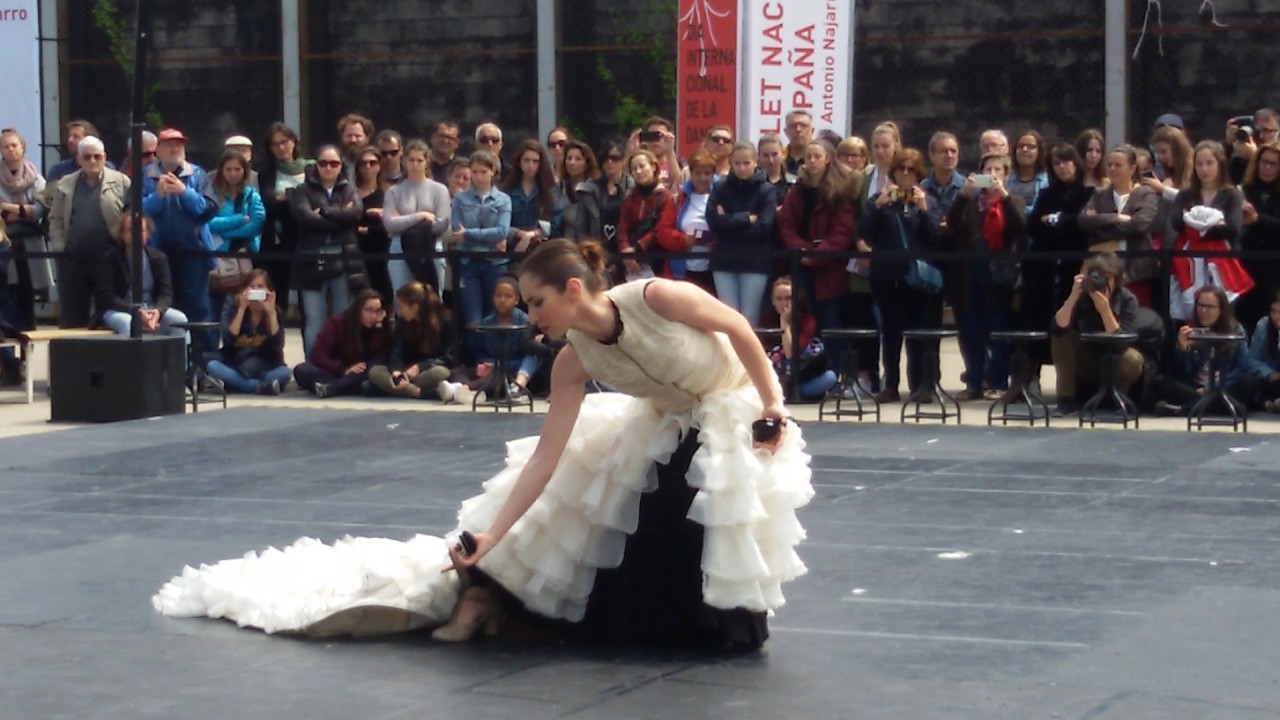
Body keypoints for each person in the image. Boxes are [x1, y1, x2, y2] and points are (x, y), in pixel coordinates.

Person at [153, 241, 812, 649]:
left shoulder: (656, 296)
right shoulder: (569, 362)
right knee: (610, 500)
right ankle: (505, 590)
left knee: (701, 500)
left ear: (572, 289)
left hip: (733, 400)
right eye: (525, 305)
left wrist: (772, 406)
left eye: (535, 302)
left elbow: (739, 331)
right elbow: (546, 460)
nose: (530, 316)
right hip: (666, 413)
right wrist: (494, 537)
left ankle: (719, 621)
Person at [857, 147, 941, 402]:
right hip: (886, 276)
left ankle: (920, 385)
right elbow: (864, 233)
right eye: (901, 169)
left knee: (918, 335)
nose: (905, 174)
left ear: (917, 174)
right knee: (891, 335)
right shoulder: (880, 201)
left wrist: (924, 209)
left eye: (910, 170)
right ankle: (890, 384)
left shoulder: (927, 200)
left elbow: (936, 238)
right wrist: (878, 206)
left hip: (916, 278)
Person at [945, 152, 1027, 400]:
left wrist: (1004, 197)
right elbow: (951, 224)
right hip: (969, 274)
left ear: (1006, 174)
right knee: (969, 329)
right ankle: (974, 380)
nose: (992, 175)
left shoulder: (1014, 200)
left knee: (998, 329)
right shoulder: (970, 202)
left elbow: (1020, 226)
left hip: (999, 276)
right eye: (987, 170)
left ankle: (998, 380)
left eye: (997, 170)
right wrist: (962, 195)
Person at [141, 127, 218, 347]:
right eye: (169, 145)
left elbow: (208, 210)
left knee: (199, 311)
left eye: (179, 144)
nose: (175, 149)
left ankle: (205, 366)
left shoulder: (198, 174)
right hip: (156, 255)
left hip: (193, 254)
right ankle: (169, 365)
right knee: (165, 311)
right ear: (158, 150)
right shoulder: (144, 176)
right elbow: (133, 213)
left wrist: (184, 193)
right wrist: (158, 196)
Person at [290, 145, 367, 356]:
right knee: (315, 317)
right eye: (323, 163)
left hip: (344, 258)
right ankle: (314, 364)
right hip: (312, 259)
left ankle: (341, 362)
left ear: (341, 166)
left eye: (334, 163)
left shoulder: (349, 189)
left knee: (343, 316)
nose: (328, 168)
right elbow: (306, 218)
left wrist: (324, 212)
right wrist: (341, 216)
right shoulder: (303, 190)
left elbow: (357, 214)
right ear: (316, 165)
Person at [47, 135, 129, 328]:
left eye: (97, 156)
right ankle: (70, 357)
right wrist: (61, 247)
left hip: (109, 259)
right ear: (78, 158)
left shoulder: (122, 181)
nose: (92, 161)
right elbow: (55, 219)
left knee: (107, 314)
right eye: (87, 157)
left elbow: (130, 218)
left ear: (105, 157)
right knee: (72, 316)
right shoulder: (66, 183)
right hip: (75, 258)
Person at [1050, 252, 1145, 416]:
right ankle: (1066, 400)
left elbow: (1121, 343)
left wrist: (1105, 310)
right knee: (1062, 337)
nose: (1101, 283)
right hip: (1089, 358)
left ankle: (1120, 398)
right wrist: (1073, 296)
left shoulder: (1127, 299)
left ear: (1117, 280)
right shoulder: (1082, 296)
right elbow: (1058, 327)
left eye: (1107, 279)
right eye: (1098, 277)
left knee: (1132, 359)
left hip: (1116, 360)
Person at [1152, 286, 1257, 416]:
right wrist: (1182, 349)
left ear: (1221, 310)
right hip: (1196, 388)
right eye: (1200, 306)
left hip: (1224, 386)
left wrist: (1211, 389)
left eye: (1209, 307)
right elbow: (1185, 374)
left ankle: (1184, 410)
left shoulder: (1235, 330)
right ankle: (1218, 408)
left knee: (1249, 381)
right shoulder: (1191, 330)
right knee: (1161, 381)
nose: (1203, 311)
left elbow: (1242, 368)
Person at [451, 150, 512, 362]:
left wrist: (469, 234)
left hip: (495, 263)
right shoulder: (460, 198)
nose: (478, 176)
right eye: (474, 172)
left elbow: (502, 231)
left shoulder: (503, 199)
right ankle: (473, 362)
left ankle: (493, 362)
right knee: (473, 319)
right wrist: (483, 237)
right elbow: (455, 231)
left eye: (483, 171)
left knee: (495, 315)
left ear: (492, 171)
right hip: (469, 263)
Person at [707, 142, 777, 324]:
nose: (742, 168)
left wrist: (728, 221)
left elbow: (764, 227)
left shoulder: (766, 190)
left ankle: (746, 353)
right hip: (724, 258)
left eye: (746, 163)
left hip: (754, 259)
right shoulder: (721, 187)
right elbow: (714, 222)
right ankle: (729, 353)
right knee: (727, 315)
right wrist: (745, 218)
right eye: (737, 163)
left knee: (749, 316)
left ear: (755, 162)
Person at [95, 213, 189, 346]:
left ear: (148, 234)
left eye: (141, 230)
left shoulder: (159, 258)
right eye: (130, 230)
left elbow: (166, 293)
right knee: (129, 323)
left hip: (151, 311)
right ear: (121, 234)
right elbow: (108, 297)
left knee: (179, 319)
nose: (136, 235)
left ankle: (180, 366)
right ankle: (129, 365)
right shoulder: (110, 259)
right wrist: (136, 312)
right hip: (120, 311)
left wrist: (158, 312)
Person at [205, 269, 291, 395]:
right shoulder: (234, 306)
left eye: (260, 287)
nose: (255, 291)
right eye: (252, 287)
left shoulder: (275, 312)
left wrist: (271, 312)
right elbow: (228, 339)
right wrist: (242, 309)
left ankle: (242, 384)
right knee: (212, 366)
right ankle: (257, 387)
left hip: (265, 365)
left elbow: (277, 344)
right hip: (237, 364)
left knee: (285, 373)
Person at [293, 288, 391, 398]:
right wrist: (343, 369)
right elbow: (317, 354)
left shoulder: (381, 327)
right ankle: (348, 386)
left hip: (363, 371)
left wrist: (378, 329)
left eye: (378, 311)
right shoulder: (338, 322)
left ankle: (333, 388)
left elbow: (380, 357)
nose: (373, 316)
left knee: (376, 369)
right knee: (302, 370)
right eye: (369, 310)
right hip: (338, 370)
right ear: (358, 309)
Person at [383, 139, 451, 295]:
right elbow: (389, 224)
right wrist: (421, 216)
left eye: (419, 160)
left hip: (431, 245)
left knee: (432, 296)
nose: (415, 164)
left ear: (427, 161)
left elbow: (441, 224)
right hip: (399, 246)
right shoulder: (394, 191)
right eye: (411, 160)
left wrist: (403, 221)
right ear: (404, 161)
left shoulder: (440, 190)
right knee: (401, 296)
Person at [368, 281, 456, 400]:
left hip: (427, 371)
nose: (400, 311)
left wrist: (420, 367)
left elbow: (449, 357)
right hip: (405, 371)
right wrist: (397, 370)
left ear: (414, 307)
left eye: (402, 307)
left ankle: (390, 389)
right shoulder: (402, 323)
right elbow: (396, 351)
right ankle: (418, 392)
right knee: (375, 371)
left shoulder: (445, 321)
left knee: (441, 373)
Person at [257, 122, 309, 316]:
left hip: (307, 239)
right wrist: (298, 196)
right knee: (276, 301)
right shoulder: (267, 174)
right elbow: (270, 204)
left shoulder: (311, 168)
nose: (281, 147)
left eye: (284, 142)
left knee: (309, 301)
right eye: (275, 144)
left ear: (294, 142)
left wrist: (287, 196)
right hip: (278, 242)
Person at [0, 128, 48, 335]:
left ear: (22, 148)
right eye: (5, 146)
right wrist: (24, 211)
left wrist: (9, 208)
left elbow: (39, 210)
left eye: (14, 145)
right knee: (7, 293)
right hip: (4, 241)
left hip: (30, 243)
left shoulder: (36, 178)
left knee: (28, 294)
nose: (10, 150)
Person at [768, 276, 836, 402]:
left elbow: (791, 354)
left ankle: (791, 393)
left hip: (801, 373)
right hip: (775, 374)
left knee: (830, 377)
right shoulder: (767, 319)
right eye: (779, 299)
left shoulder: (807, 320)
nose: (784, 303)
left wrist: (784, 322)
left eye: (788, 298)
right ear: (773, 300)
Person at [1237, 142, 1280, 330]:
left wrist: (1258, 219)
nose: (1268, 167)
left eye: (1273, 164)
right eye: (1264, 162)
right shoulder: (1244, 190)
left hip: (1274, 268)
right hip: (1245, 264)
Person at [1248, 289, 1280, 410]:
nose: (1277, 317)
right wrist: (1269, 373)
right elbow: (1252, 359)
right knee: (1250, 382)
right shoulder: (1263, 325)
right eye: (1273, 311)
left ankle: (1271, 403)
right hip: (1269, 379)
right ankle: (1269, 403)